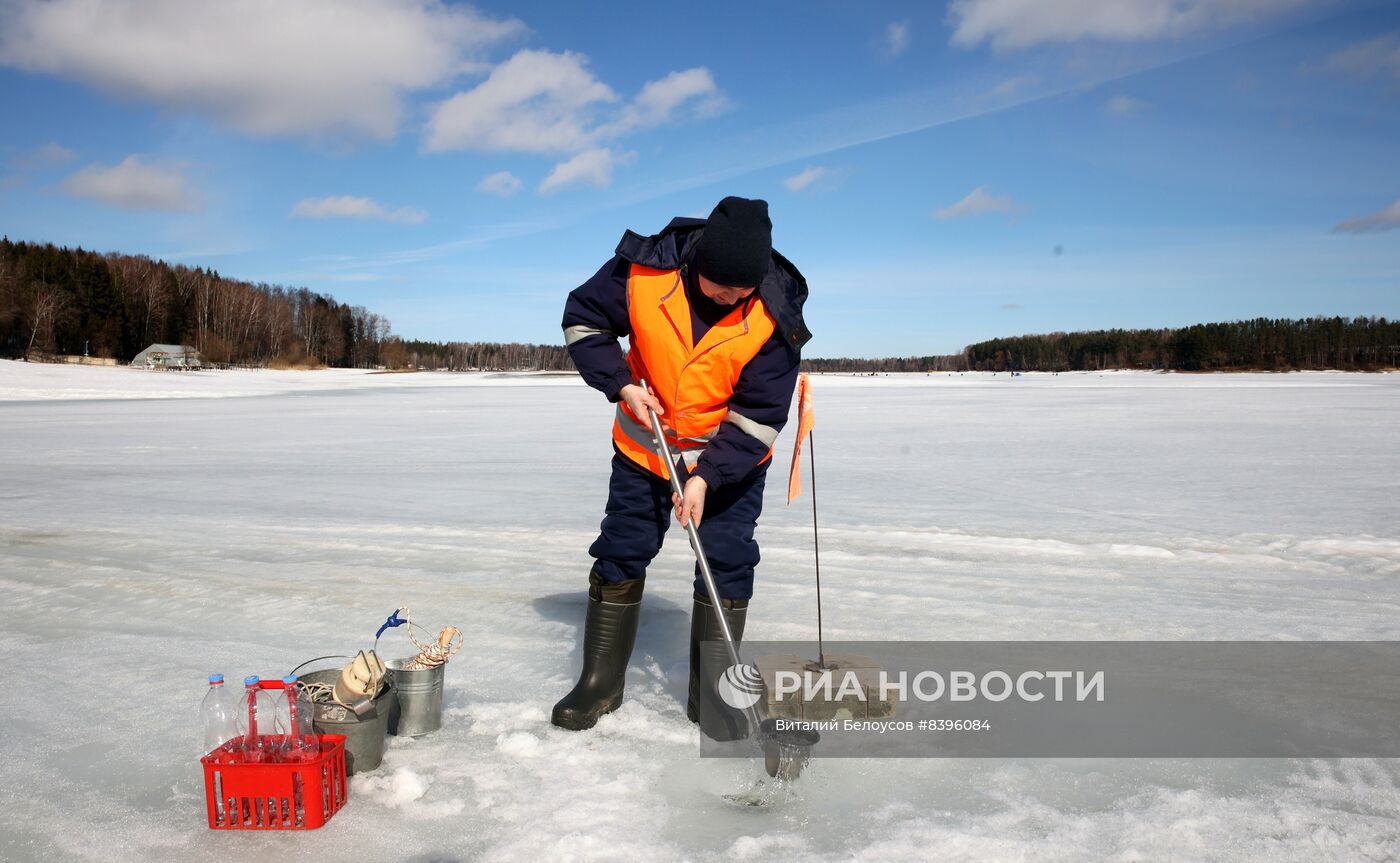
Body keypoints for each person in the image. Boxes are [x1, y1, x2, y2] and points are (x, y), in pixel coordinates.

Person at [552, 196, 811, 739]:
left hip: (730, 461)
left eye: (741, 289)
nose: (729, 297)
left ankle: (712, 697)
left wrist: (705, 477)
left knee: (726, 560)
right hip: (645, 447)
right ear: (698, 264)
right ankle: (600, 682)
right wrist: (620, 383)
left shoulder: (775, 312)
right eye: (719, 285)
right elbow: (584, 321)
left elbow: (760, 417)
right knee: (622, 548)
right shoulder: (646, 273)